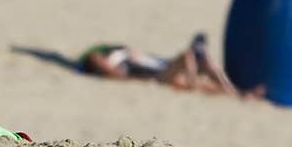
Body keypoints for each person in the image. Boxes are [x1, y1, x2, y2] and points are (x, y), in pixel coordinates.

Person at [79, 33, 244, 95]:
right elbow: (121, 75)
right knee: (190, 59)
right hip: (158, 72)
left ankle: (235, 91)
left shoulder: (117, 57)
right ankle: (234, 91)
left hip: (161, 66)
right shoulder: (116, 65)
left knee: (200, 66)